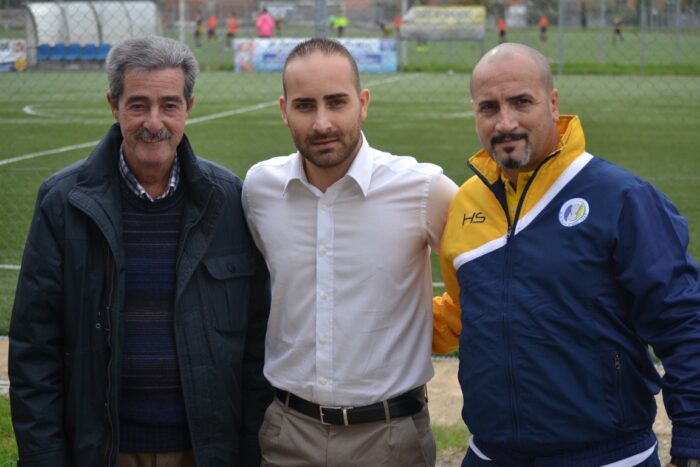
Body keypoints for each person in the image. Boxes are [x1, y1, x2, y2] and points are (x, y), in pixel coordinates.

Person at [433, 42, 700, 467]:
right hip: (489, 454)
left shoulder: (622, 197)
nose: (506, 122)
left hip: (610, 457)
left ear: (553, 103)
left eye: (522, 102)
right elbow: (461, 314)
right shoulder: (466, 203)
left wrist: (693, 440)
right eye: (489, 108)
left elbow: (684, 320)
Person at [9, 35, 272, 467]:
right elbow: (34, 350)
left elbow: (255, 347)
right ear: (113, 105)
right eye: (138, 105)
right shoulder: (63, 202)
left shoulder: (228, 200)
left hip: (203, 451)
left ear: (189, 106)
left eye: (169, 104)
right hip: (103, 451)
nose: (154, 121)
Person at [242, 38, 457, 467]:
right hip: (288, 434)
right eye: (305, 106)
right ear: (284, 110)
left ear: (362, 103)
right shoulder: (259, 190)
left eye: (336, 102)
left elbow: (487, 279)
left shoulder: (423, 190)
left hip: (391, 437)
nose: (322, 122)